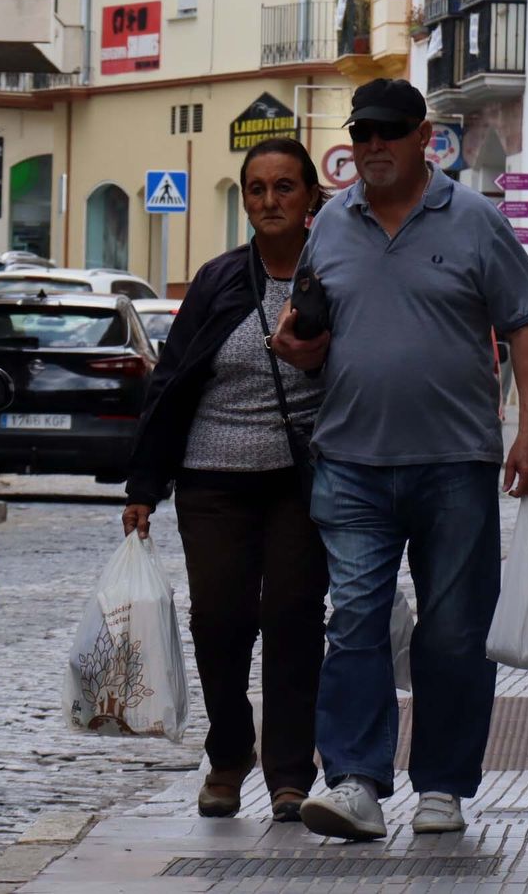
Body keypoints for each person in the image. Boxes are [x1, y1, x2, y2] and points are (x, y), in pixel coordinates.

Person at [271, 78, 528, 841]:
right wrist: (296, 346)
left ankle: (443, 784)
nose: (373, 146)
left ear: (424, 137)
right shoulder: (331, 223)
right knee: (356, 619)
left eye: (388, 132)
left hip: (455, 462)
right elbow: (312, 330)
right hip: (350, 459)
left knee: (454, 630)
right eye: (362, 133)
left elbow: (524, 325)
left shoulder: (475, 220)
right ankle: (356, 781)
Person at [122, 137, 333, 824]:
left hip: (300, 480)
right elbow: (172, 380)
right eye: (257, 189)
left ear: (310, 197)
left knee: (294, 618)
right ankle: (229, 753)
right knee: (219, 620)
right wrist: (144, 486)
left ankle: (291, 774)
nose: (269, 201)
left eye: (284, 187)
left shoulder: (334, 274)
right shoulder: (218, 280)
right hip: (212, 479)